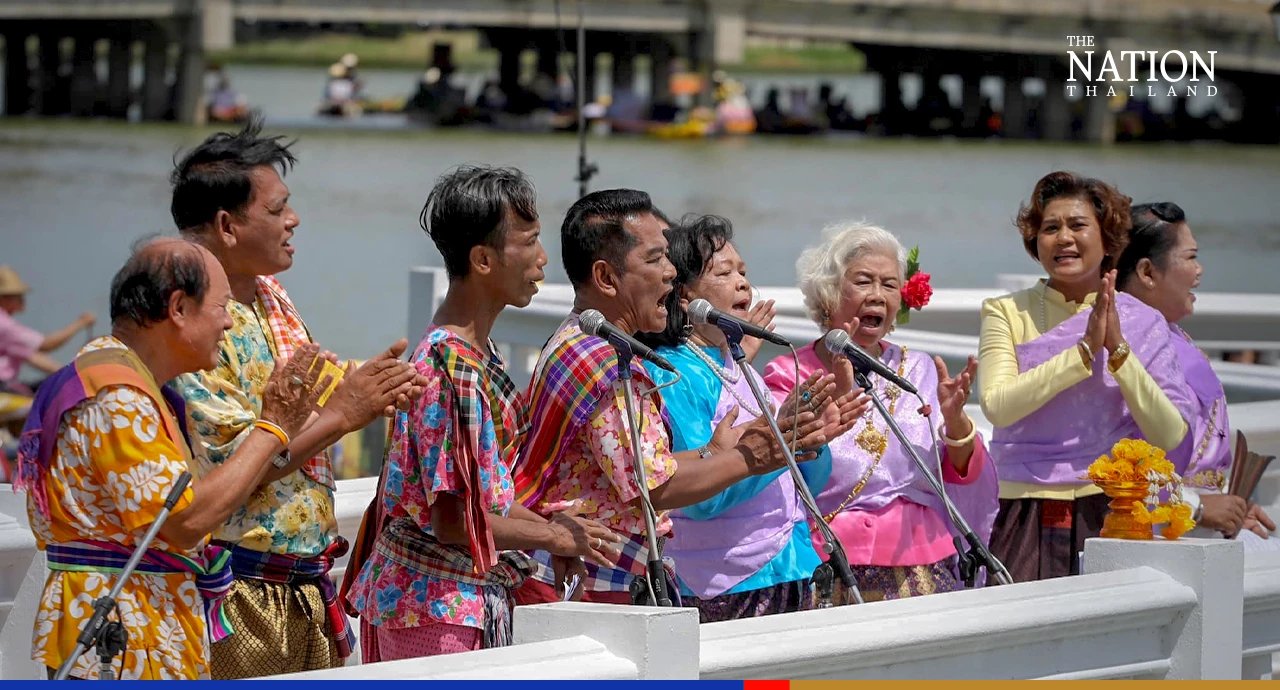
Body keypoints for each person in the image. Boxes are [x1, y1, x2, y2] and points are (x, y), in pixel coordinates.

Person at [168, 116, 425, 678]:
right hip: (237, 589)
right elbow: (234, 469)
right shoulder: (187, 324)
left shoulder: (270, 295)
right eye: (277, 208)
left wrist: (392, 382)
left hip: (304, 583)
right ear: (225, 225)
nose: (294, 219)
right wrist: (344, 415)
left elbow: (325, 386)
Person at [514, 189, 853, 606]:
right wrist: (753, 456)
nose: (672, 272)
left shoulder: (583, 342)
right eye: (656, 258)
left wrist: (718, 452)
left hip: (600, 578)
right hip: (597, 588)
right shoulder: (605, 363)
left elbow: (646, 467)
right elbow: (655, 486)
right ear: (605, 278)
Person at [17, 238, 334, 679]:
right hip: (120, 637)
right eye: (221, 306)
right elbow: (184, 522)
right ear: (179, 308)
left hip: (146, 624)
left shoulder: (135, 384)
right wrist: (273, 426)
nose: (228, 323)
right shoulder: (117, 397)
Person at [342, 166, 622, 661]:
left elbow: (483, 499)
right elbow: (453, 521)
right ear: (483, 259)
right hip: (436, 608)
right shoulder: (451, 366)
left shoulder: (469, 353)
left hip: (447, 603)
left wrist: (553, 533)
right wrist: (554, 534)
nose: (541, 260)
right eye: (530, 242)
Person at [637, 214, 866, 622]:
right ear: (687, 298)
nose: (743, 282)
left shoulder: (739, 366)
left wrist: (813, 440)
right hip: (725, 585)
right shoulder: (672, 374)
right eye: (724, 272)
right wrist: (779, 447)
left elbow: (804, 490)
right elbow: (696, 498)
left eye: (743, 271)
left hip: (790, 566)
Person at [764, 221, 999, 602]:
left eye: (889, 285)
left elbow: (957, 472)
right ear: (828, 293)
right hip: (829, 561)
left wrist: (957, 425)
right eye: (863, 281)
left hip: (921, 557)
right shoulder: (790, 374)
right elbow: (779, 474)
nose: (877, 294)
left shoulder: (918, 370)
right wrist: (826, 420)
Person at [979, 172, 1196, 582]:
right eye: (1050, 228)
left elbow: (1169, 434)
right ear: (1035, 241)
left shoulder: (1143, 321)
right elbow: (998, 406)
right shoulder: (1005, 312)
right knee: (1020, 635)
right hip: (1024, 506)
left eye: (1077, 225)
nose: (1064, 238)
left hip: (1114, 509)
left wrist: (1117, 351)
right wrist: (1081, 353)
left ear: (1106, 237)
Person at [1116, 202, 1275, 542]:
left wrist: (1229, 508)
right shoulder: (1123, 344)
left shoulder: (1165, 334)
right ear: (1147, 272)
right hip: (1158, 531)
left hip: (1196, 525)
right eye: (1190, 258)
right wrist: (1198, 506)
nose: (1199, 270)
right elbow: (1113, 460)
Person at [0, 265, 97, 392]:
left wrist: (67, 373)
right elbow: (46, 344)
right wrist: (81, 323)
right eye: (17, 295)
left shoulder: (8, 329)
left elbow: (32, 356)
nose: (22, 299)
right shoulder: (5, 325)